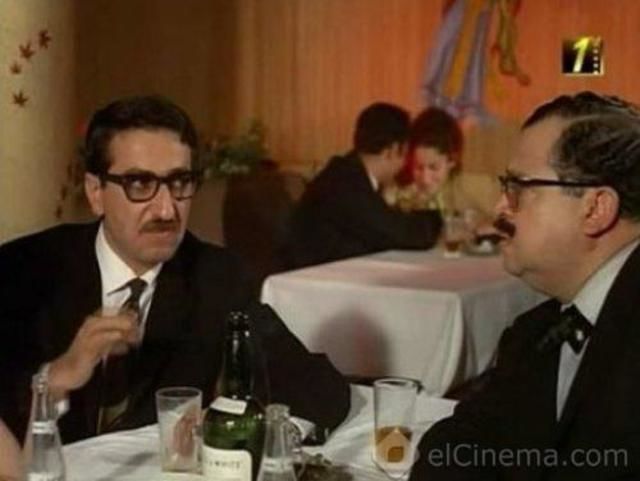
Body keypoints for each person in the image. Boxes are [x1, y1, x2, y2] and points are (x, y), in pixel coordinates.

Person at [0, 95, 350, 443]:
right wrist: (53, 380)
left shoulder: (217, 277)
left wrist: (260, 430)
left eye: (180, 182)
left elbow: (314, 387)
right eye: (140, 184)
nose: (167, 210)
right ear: (95, 192)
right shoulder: (25, 269)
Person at [409, 91, 640, 480]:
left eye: (519, 187)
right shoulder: (533, 334)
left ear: (595, 208)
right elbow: (454, 443)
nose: (500, 207)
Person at [284, 102, 442, 268]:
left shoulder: (349, 173)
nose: (404, 165)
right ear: (392, 151)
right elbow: (402, 234)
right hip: (310, 278)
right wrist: (438, 221)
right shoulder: (347, 182)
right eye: (405, 155)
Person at [385, 106, 463, 213]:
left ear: (452, 160)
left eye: (434, 168)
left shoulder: (466, 199)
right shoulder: (396, 195)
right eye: (418, 167)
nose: (425, 179)